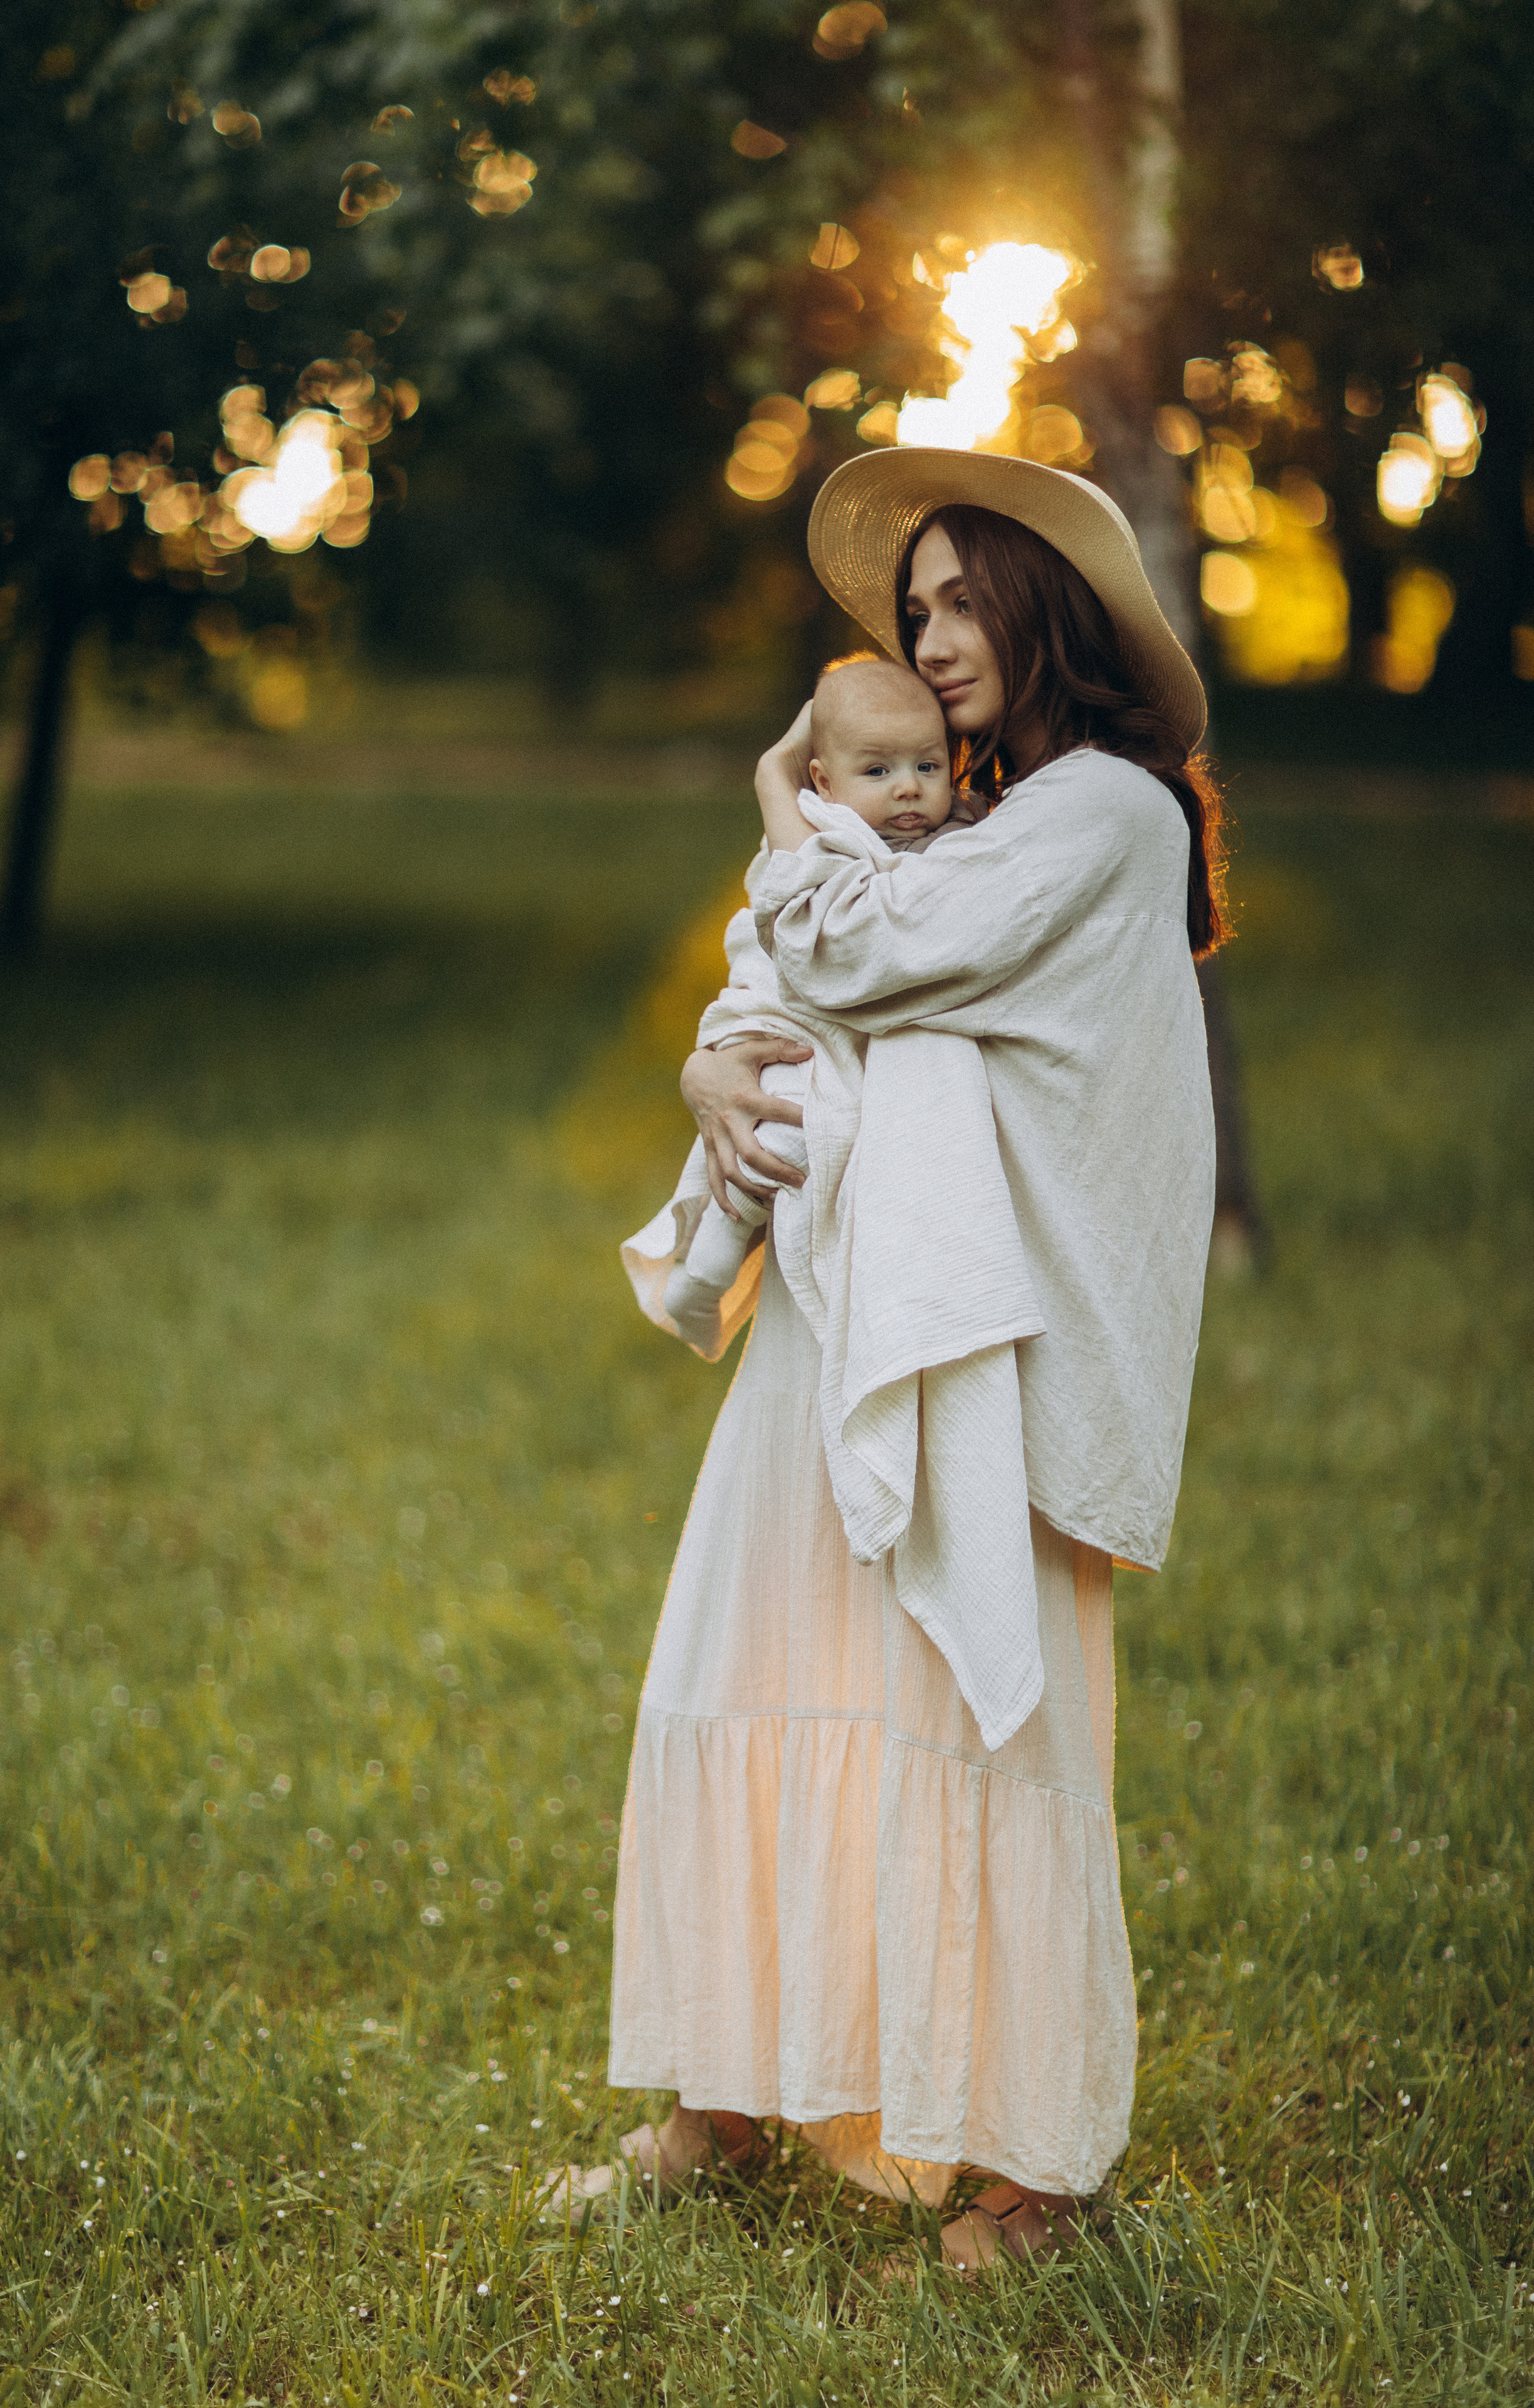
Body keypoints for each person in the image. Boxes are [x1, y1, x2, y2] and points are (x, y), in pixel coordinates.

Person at [577, 450, 1225, 2269]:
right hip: (856, 1300)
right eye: (913, 606)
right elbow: (804, 986)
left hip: (992, 1339)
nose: (928, 637)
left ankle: (1031, 2168)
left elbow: (874, 950)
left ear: (1047, 604)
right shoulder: (971, 812)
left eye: (960, 598)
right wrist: (715, 1070)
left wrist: (782, 802)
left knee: (970, 1713)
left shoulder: (1105, 813)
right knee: (761, 1652)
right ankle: (721, 2097)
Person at [663, 653, 974, 1350]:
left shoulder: (957, 836)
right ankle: (707, 1270)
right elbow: (784, 915)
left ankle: (712, 1266)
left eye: (927, 767)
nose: (907, 790)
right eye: (878, 771)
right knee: (776, 1125)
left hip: (852, 1030)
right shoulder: (818, 831)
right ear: (822, 783)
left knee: (792, 1137)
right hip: (792, 1016)